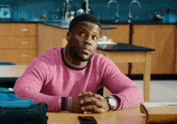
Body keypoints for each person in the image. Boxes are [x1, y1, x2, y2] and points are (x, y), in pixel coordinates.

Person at [13, 14, 143, 113]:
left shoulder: (101, 63)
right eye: (82, 34)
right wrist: (66, 103)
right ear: (69, 36)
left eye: (94, 37)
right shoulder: (46, 62)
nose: (88, 41)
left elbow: (135, 93)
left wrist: (109, 103)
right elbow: (21, 93)